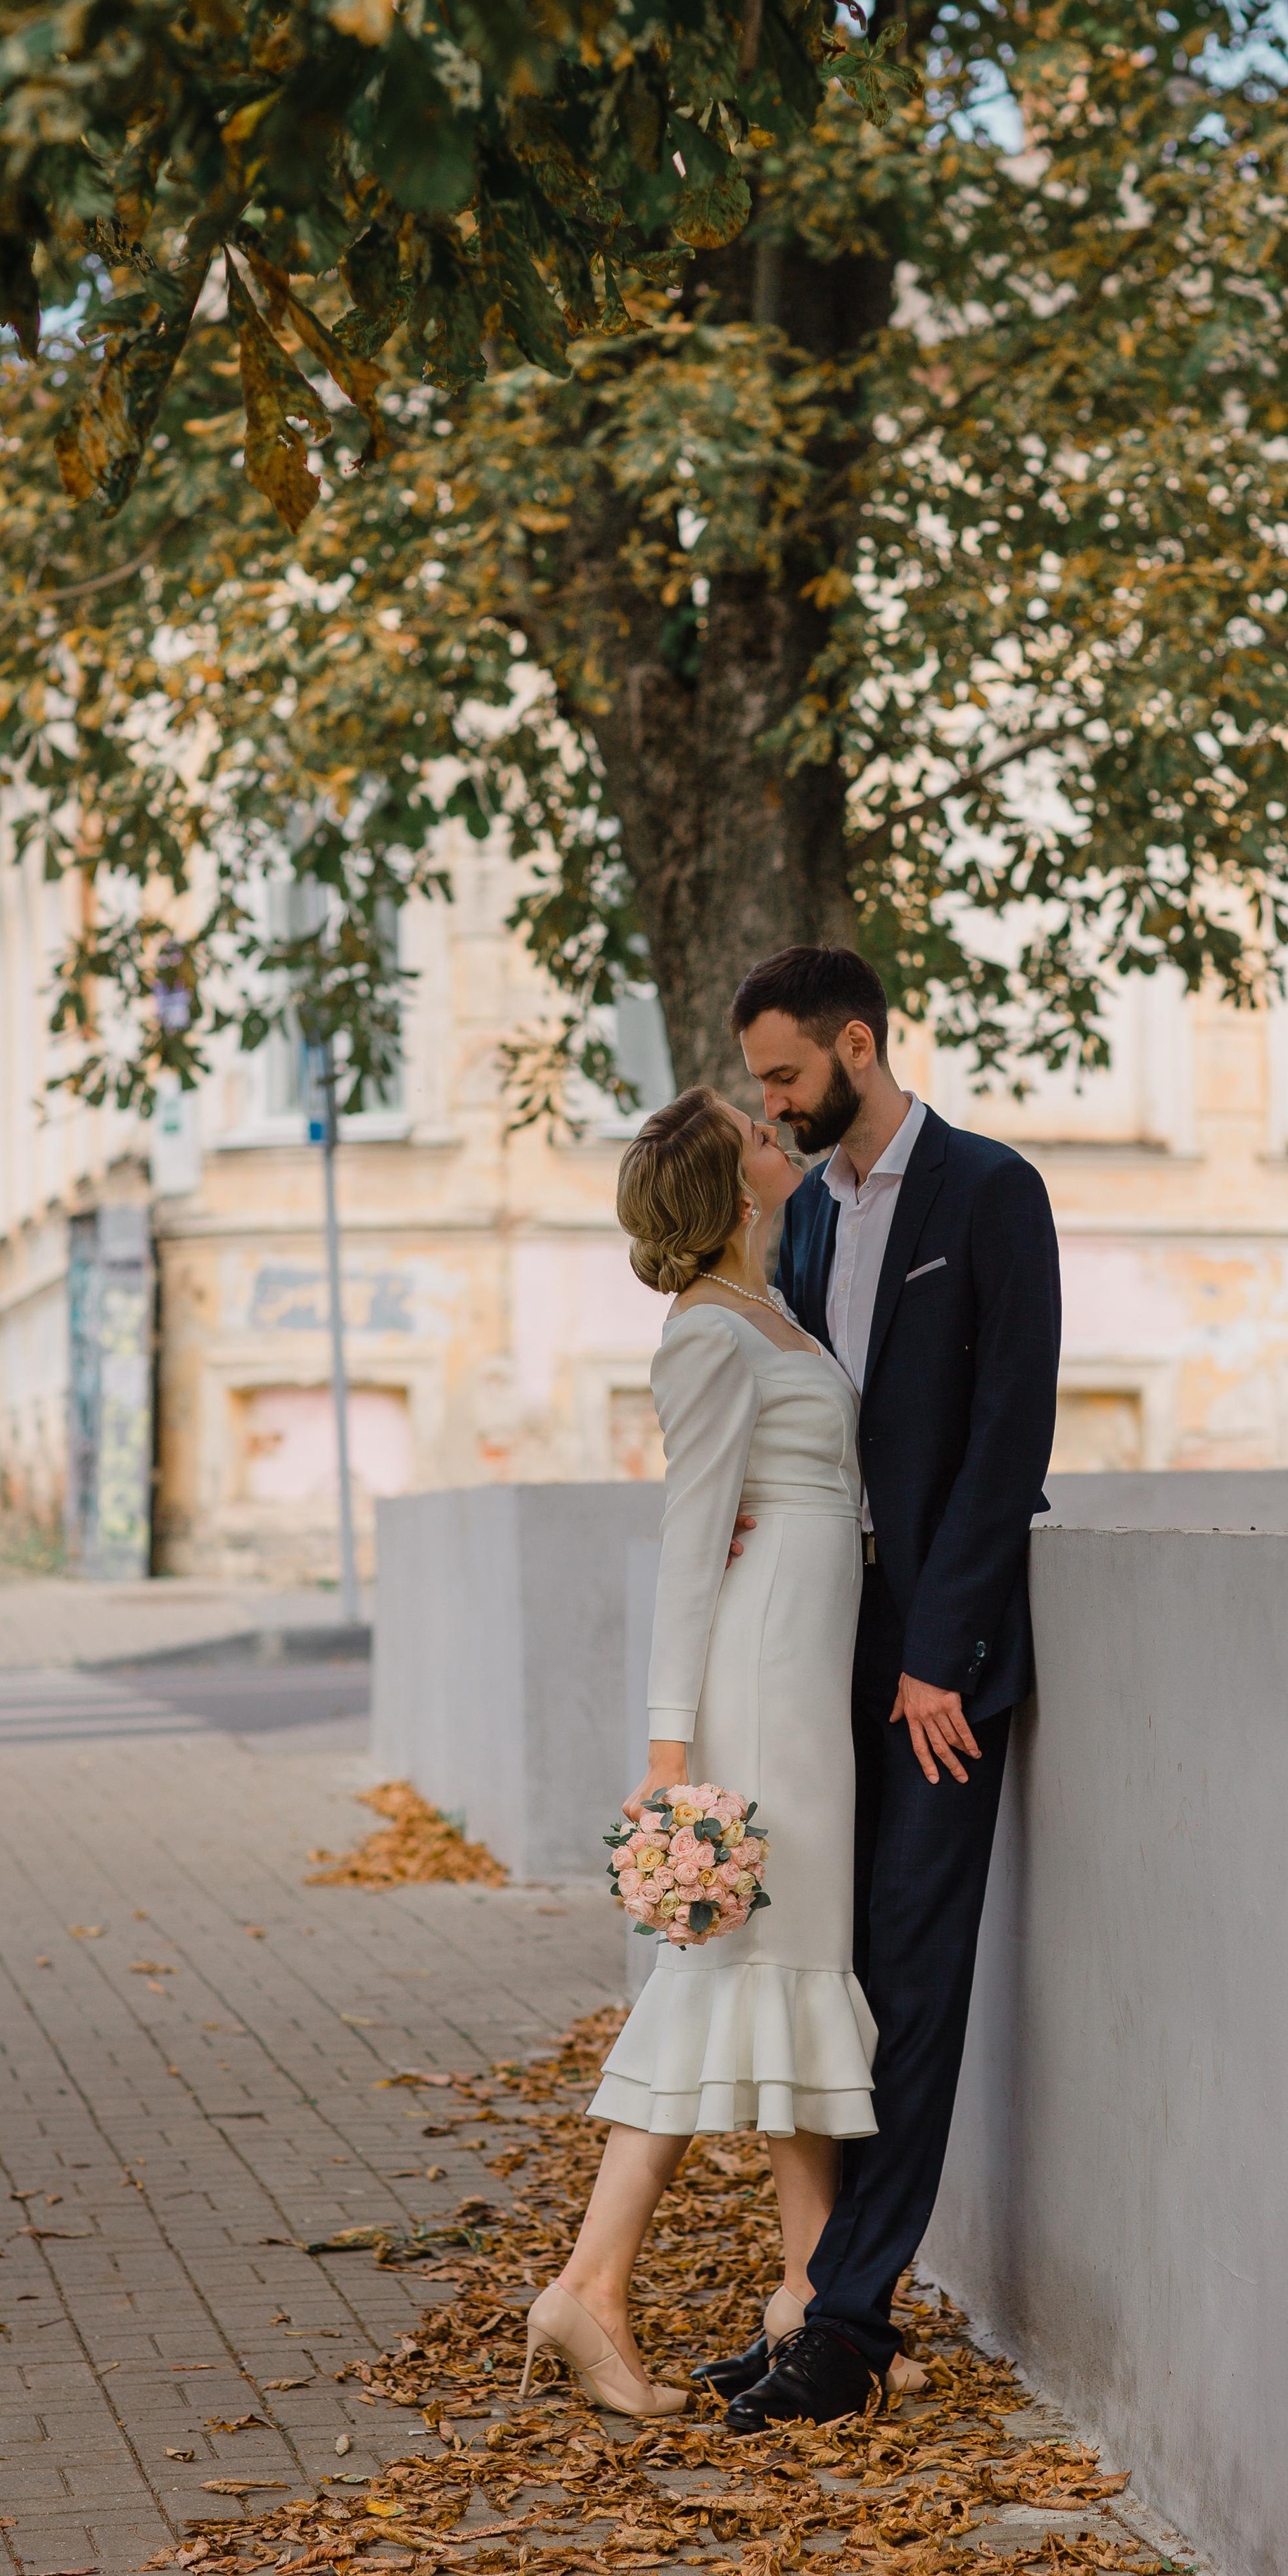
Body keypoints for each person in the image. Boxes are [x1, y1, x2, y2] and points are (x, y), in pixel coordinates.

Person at [699, 945, 1060, 2430]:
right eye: (759, 1081)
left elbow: (1004, 1439)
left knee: (911, 1981)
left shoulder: (987, 1192)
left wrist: (937, 1658)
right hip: (815, 1655)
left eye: (784, 1073)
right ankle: (819, 2296)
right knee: (825, 1972)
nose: (769, 1103)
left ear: (859, 1044)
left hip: (933, 1672)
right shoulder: (797, 1223)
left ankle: (847, 2320)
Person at [520, 1085, 884, 2419]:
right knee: (746, 1963)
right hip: (758, 1685)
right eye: (753, 1133)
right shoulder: (707, 1336)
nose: (774, 1135)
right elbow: (689, 1544)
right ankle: (595, 2287)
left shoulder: (772, 1311)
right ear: (731, 1186)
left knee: (785, 1970)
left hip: (801, 1664)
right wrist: (670, 1752)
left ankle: (801, 2289)